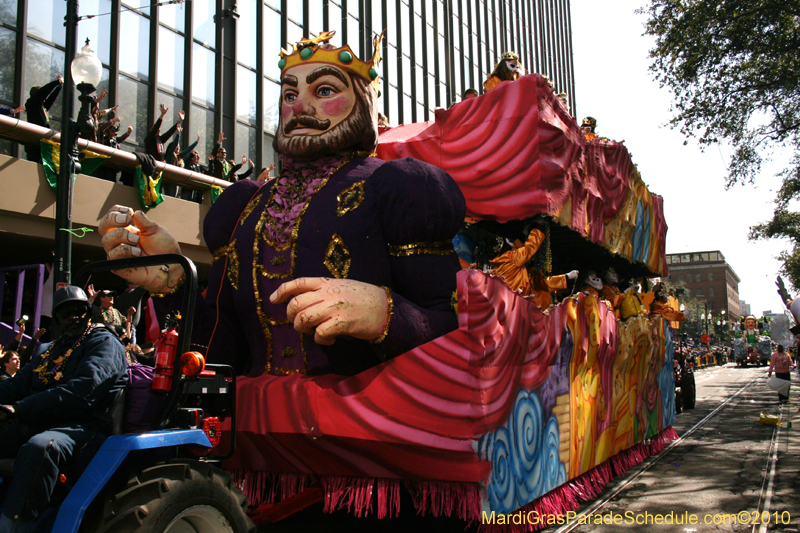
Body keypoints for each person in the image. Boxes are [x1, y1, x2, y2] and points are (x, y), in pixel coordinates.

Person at [97, 29, 466, 377]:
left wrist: (387, 316)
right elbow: (223, 355)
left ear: (363, 104)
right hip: (255, 430)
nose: (300, 105)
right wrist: (174, 282)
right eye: (289, 95)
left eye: (323, 90)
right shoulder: (243, 204)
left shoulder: (397, 187)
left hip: (370, 431)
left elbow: (458, 335)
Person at [0, 286, 127, 531]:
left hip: (81, 424)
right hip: (37, 420)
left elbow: (84, 390)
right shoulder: (47, 350)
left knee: (41, 447)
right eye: (65, 312)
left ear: (88, 311)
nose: (73, 316)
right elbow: (16, 384)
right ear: (57, 318)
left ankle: (15, 525)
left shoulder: (103, 342)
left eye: (79, 310)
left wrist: (20, 408)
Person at [488, 226, 578, 311]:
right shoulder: (510, 259)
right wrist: (536, 230)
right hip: (535, 307)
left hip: (514, 304)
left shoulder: (497, 265)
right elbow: (528, 251)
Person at [23, 75, 64, 162]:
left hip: (43, 140)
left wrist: (59, 87)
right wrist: (56, 82)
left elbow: (51, 99)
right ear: (35, 95)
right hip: (35, 142)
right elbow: (44, 92)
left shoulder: (41, 107)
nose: (44, 99)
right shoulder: (32, 103)